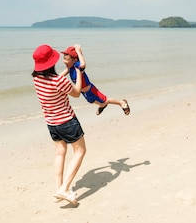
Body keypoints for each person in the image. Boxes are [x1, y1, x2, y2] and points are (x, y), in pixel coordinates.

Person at [32, 44, 85, 206]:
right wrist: (78, 72)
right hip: (67, 121)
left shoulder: (37, 79)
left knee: (60, 153)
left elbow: (56, 81)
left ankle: (58, 189)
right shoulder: (58, 81)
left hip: (51, 123)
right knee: (80, 151)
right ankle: (64, 188)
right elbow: (76, 93)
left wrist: (66, 73)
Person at [60, 44, 130, 116]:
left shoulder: (77, 66)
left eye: (66, 59)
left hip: (91, 90)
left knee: (105, 100)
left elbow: (83, 64)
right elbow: (62, 74)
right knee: (91, 101)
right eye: (63, 58)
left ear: (74, 60)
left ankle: (121, 103)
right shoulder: (70, 67)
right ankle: (102, 105)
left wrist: (79, 52)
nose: (64, 61)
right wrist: (54, 78)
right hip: (84, 92)